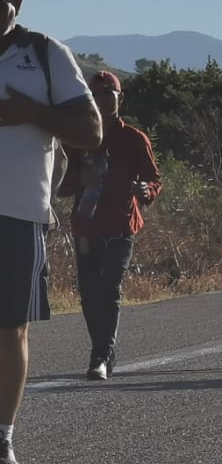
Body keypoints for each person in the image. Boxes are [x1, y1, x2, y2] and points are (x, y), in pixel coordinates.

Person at [0, 0, 103, 464]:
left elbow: (90, 129)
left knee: (9, 328)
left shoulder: (44, 55)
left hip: (17, 213)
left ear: (14, 5)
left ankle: (2, 439)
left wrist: (30, 113)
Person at [58, 71, 162, 381]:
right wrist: (79, 180)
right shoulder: (77, 138)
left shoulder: (134, 138)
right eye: (96, 95)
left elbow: (154, 179)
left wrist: (146, 191)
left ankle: (101, 355)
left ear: (120, 98)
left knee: (110, 290)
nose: (102, 100)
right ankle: (101, 349)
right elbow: (58, 184)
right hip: (86, 228)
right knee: (90, 294)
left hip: (121, 226)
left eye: (108, 94)